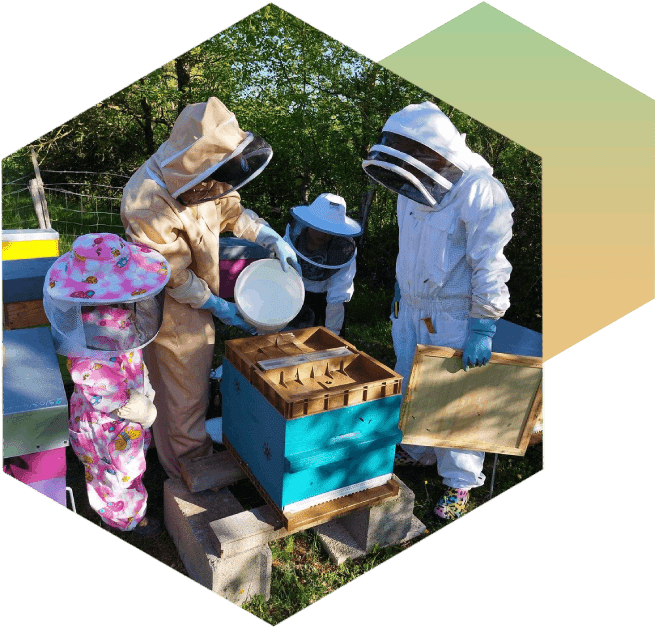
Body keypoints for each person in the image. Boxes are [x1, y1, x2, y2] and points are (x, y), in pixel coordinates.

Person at [120, 96, 300, 480]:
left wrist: (266, 235)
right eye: (211, 181)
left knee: (174, 391)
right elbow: (174, 276)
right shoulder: (147, 199)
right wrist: (219, 306)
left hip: (196, 298)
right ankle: (193, 473)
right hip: (168, 309)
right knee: (185, 397)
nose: (215, 188)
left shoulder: (207, 175)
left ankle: (169, 456)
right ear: (193, 166)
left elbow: (231, 209)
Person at [362, 101, 514, 520]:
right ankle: (420, 448)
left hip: (453, 314)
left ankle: (460, 482)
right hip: (410, 306)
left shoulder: (480, 191)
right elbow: (408, 245)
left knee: (456, 399)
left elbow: (491, 264)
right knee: (410, 378)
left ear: (433, 150)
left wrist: (483, 324)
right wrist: (400, 283)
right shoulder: (411, 187)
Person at [43, 232, 171, 535]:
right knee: (116, 475)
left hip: (121, 419)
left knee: (127, 466)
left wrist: (144, 382)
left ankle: (128, 504)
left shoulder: (113, 315)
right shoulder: (88, 352)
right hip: (105, 425)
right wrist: (146, 411)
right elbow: (109, 394)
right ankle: (124, 519)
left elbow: (131, 356)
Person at [284, 193, 361, 336]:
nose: (324, 234)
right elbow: (282, 273)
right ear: (309, 222)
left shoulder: (343, 250)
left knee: (332, 340)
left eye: (330, 230)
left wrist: (333, 334)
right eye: (320, 226)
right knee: (292, 337)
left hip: (328, 295)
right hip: (295, 290)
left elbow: (339, 292)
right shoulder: (294, 237)